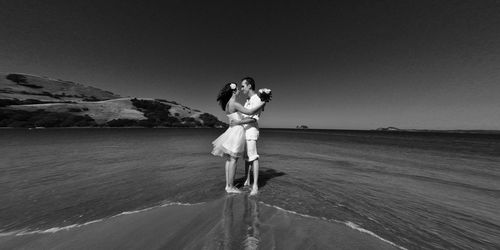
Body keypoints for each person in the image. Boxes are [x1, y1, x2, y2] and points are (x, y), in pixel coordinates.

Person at [211, 82, 265, 194]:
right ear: (234, 91)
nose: (240, 89)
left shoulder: (226, 105)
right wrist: (263, 102)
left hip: (231, 131)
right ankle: (230, 187)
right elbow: (250, 112)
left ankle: (228, 185)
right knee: (234, 160)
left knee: (229, 159)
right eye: (238, 88)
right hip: (237, 131)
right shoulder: (234, 104)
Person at [231, 77, 264, 196]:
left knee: (253, 157)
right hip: (245, 131)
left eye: (243, 86)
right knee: (246, 157)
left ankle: (255, 186)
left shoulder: (257, 99)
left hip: (251, 131)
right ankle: (247, 180)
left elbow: (253, 118)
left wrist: (238, 122)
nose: (241, 88)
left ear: (249, 86)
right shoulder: (248, 100)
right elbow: (245, 115)